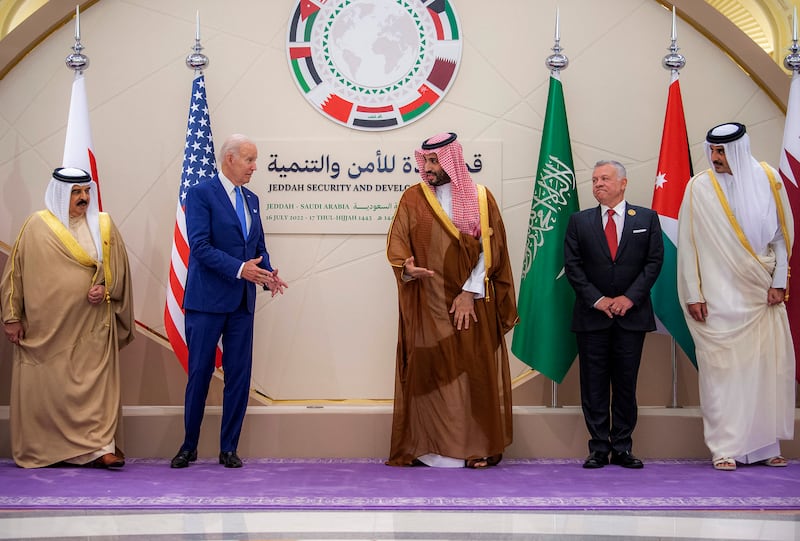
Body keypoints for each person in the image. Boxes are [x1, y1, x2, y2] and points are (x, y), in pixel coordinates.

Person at [385, 132, 518, 469]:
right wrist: (407, 268)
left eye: (434, 161)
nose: (427, 168)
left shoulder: (480, 198)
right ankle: (429, 447)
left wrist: (468, 294)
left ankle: (476, 447)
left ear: (451, 162)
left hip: (471, 303)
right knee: (431, 372)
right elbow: (399, 244)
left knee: (473, 370)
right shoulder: (413, 198)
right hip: (428, 303)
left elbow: (491, 249)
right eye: (425, 161)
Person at [677, 122, 795, 471]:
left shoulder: (768, 178)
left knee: (764, 370)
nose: (714, 158)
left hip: (761, 295)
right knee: (722, 375)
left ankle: (763, 446)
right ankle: (724, 447)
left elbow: (781, 238)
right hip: (717, 300)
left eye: (722, 152)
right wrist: (693, 294)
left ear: (739, 150)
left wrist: (778, 281)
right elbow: (688, 244)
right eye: (712, 150)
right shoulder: (699, 187)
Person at [1, 167, 134, 469]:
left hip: (93, 327)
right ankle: (50, 449)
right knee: (49, 390)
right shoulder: (35, 226)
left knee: (97, 386)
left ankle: (101, 448)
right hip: (47, 330)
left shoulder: (103, 225)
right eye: (76, 192)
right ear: (61, 193)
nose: (84, 197)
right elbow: (15, 274)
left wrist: (106, 289)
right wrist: (11, 317)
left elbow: (119, 271)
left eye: (87, 191)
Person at [170, 134, 288, 469]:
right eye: (249, 160)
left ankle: (228, 448)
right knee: (200, 375)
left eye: (255, 160)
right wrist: (240, 270)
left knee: (239, 376)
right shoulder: (201, 194)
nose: (255, 167)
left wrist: (267, 274)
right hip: (206, 302)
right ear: (229, 159)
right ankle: (189, 446)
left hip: (241, 304)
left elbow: (257, 248)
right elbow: (200, 246)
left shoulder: (251, 199)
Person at [564, 160, 663, 469]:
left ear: (623, 183)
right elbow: (573, 266)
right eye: (594, 180)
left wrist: (629, 298)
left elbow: (654, 262)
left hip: (630, 317)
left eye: (605, 179)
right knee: (592, 385)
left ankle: (622, 448)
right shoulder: (579, 221)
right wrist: (599, 300)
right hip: (592, 317)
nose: (598, 184)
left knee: (624, 384)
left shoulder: (646, 218)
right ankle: (597, 449)